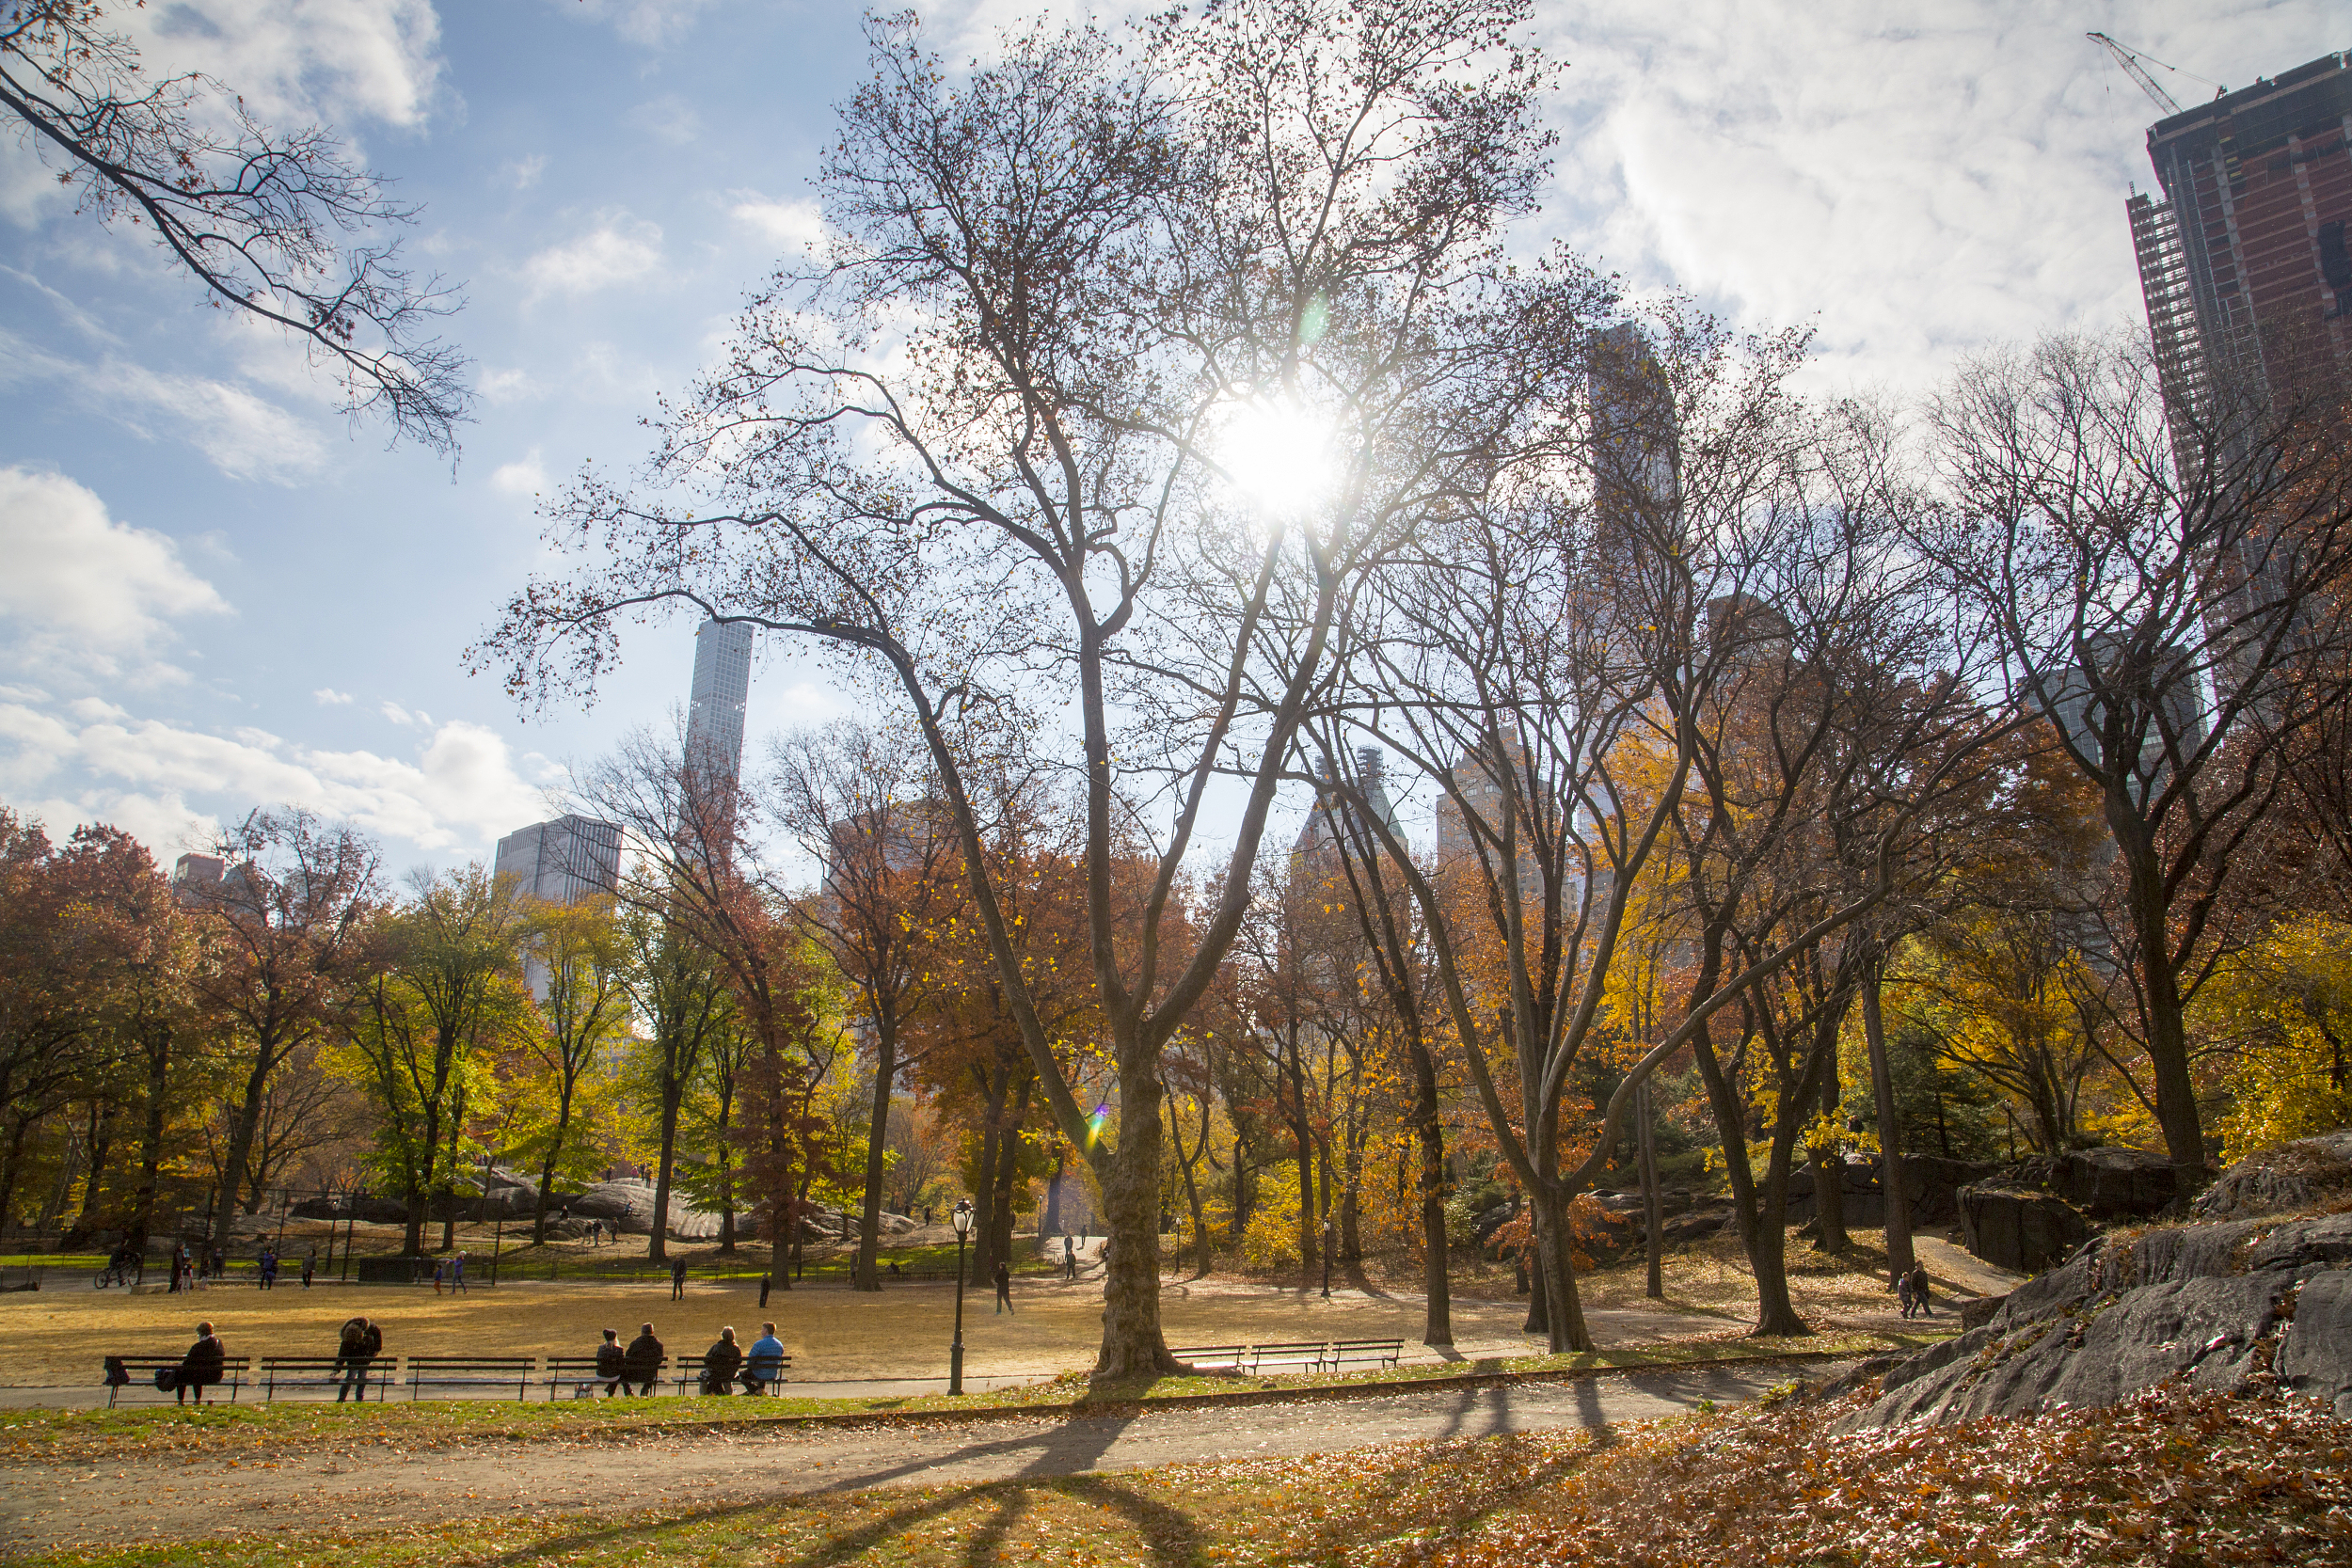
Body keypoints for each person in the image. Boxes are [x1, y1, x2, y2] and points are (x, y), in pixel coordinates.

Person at [177, 1322, 226, 1406]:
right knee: (198, 1372)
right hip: (216, 1375)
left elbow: (186, 1363)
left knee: (181, 1373)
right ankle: (196, 1400)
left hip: (201, 1377)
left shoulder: (197, 1347)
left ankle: (181, 1401)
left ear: (201, 1334)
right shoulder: (219, 1343)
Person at [336, 1315, 382, 1402]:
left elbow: (342, 1354)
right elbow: (343, 1352)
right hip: (360, 1359)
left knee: (356, 1377)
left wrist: (337, 1368)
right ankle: (351, 1397)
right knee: (355, 1377)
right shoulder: (351, 1335)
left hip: (361, 1359)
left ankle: (349, 1397)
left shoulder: (368, 1333)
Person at [621, 1323, 664, 1396]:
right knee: (653, 1369)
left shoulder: (635, 1344)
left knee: (621, 1372)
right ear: (652, 1332)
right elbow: (659, 1361)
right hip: (649, 1375)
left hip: (634, 1374)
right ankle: (645, 1389)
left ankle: (628, 1391)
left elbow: (627, 1358)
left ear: (642, 1332)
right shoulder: (658, 1345)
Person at [700, 1327, 743, 1396]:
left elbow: (706, 1359)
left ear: (722, 1336)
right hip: (729, 1374)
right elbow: (739, 1361)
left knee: (703, 1374)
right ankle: (728, 1392)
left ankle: (703, 1393)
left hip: (715, 1373)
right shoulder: (736, 1349)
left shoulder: (716, 1347)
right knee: (727, 1374)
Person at [744, 1323, 785, 1395]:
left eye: (762, 1329)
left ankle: (756, 1391)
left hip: (759, 1373)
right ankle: (760, 1390)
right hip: (772, 1373)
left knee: (742, 1375)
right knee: (763, 1369)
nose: (761, 1331)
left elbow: (750, 1360)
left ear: (766, 1331)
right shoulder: (779, 1345)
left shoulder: (759, 1344)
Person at [594, 1328, 626, 1397]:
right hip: (614, 1377)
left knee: (614, 1372)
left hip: (600, 1375)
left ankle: (610, 1389)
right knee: (620, 1374)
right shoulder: (619, 1349)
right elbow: (621, 1364)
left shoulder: (601, 1348)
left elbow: (598, 1361)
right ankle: (626, 1392)